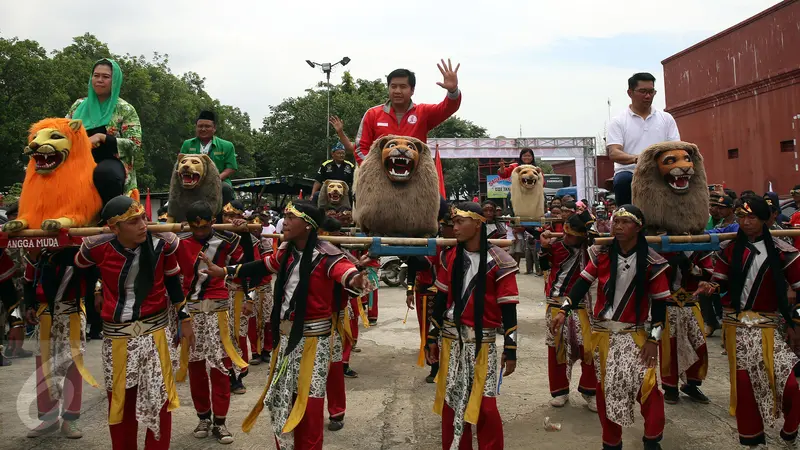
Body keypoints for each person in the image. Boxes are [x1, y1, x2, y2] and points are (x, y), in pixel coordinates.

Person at [200, 201, 370, 450]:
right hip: (286, 339)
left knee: (310, 406)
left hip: (314, 342)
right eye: (286, 216)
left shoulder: (329, 255)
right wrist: (224, 271)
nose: (285, 221)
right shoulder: (287, 251)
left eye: (291, 217)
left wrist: (358, 277)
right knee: (282, 401)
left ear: (308, 226)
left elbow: (346, 274)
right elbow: (263, 265)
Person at [74, 196, 193, 450]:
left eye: (142, 218)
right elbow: (79, 271)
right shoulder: (96, 248)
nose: (142, 225)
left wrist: (185, 317)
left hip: (155, 335)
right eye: (133, 221)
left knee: (158, 401)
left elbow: (173, 283)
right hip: (117, 337)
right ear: (114, 228)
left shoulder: (164, 244)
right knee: (120, 404)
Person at [552, 205, 669, 450]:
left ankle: (652, 439)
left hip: (636, 334)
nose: (618, 226)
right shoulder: (601, 254)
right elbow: (580, 285)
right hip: (604, 335)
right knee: (607, 389)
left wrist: (653, 339)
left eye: (625, 222)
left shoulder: (652, 262)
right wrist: (564, 309)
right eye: (616, 221)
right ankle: (612, 442)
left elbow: (660, 305)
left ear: (638, 227)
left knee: (647, 387)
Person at [696, 196, 800, 447]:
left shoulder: (784, 252)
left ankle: (790, 428)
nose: (745, 222)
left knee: (789, 385)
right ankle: (751, 439)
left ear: (767, 219)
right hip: (738, 328)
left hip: (770, 327)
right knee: (745, 386)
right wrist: (709, 285)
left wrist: (796, 323)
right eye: (741, 217)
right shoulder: (730, 250)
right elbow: (718, 281)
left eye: (751, 217)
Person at [427, 202, 519, 450]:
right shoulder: (450, 257)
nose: (453, 227)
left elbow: (508, 309)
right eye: (452, 222)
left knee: (486, 407)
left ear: (478, 223)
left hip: (483, 344)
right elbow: (440, 301)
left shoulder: (500, 260)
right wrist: (431, 339)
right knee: (452, 403)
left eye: (459, 222)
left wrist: (510, 349)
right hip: (451, 340)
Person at [176, 201, 248, 444]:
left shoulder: (227, 238)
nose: (200, 232)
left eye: (204, 227)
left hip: (218, 310)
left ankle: (220, 421)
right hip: (191, 310)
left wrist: (242, 228)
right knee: (195, 367)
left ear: (212, 222)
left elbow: (245, 264)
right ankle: (203, 417)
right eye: (196, 228)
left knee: (220, 366)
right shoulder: (178, 240)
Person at [22, 247, 100, 439]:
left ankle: (70, 419)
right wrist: (30, 305)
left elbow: (94, 273)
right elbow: (29, 281)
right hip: (46, 313)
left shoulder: (80, 247)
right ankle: (48, 419)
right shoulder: (39, 250)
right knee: (44, 367)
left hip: (71, 311)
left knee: (73, 365)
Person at [539, 211, 598, 411]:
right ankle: (560, 391)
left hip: (582, 305)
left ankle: (589, 391)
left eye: (571, 235)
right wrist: (544, 247)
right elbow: (543, 265)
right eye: (564, 233)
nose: (566, 238)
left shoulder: (592, 249)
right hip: (556, 302)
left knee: (589, 349)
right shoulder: (555, 247)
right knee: (557, 349)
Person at [354, 60, 461, 164]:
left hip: (414, 177)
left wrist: (453, 90)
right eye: (393, 86)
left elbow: (448, 108)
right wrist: (374, 170)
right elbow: (360, 148)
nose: (397, 91)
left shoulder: (423, 112)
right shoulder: (372, 114)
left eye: (403, 87)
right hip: (380, 178)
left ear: (412, 90)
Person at [67, 58, 143, 204]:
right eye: (96, 75)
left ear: (114, 81)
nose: (99, 80)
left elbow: (135, 144)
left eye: (106, 77)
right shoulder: (78, 105)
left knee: (105, 173)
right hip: (78, 159)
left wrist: (102, 137)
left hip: (111, 162)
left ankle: (110, 216)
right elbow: (63, 131)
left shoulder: (125, 109)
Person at [607, 72, 680, 206]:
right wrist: (639, 158)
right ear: (630, 93)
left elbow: (676, 147)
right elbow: (614, 152)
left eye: (651, 92)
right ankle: (627, 217)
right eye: (643, 91)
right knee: (623, 181)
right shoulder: (618, 121)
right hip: (630, 171)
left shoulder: (666, 118)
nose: (648, 96)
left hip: (661, 169)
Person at [405, 200, 454, 383]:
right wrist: (410, 290)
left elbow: (424, 262)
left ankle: (448, 365)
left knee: (447, 329)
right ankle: (434, 367)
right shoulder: (425, 237)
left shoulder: (446, 242)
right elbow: (415, 265)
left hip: (447, 293)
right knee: (428, 330)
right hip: (425, 293)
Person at [180, 111, 238, 185]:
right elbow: (180, 164)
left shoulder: (227, 145)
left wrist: (216, 179)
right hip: (192, 180)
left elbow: (231, 168)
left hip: (219, 182)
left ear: (214, 128)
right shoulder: (187, 144)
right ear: (196, 128)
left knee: (226, 189)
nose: (203, 129)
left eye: (207, 126)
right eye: (200, 126)